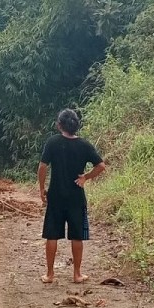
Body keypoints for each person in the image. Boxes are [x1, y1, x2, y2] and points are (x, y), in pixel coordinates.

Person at [38, 109, 106, 284]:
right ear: (76, 125)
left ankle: (50, 274)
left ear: (59, 125)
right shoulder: (84, 145)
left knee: (51, 235)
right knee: (77, 236)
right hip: (76, 197)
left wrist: (41, 189)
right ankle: (77, 274)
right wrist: (86, 177)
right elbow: (101, 166)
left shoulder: (52, 142)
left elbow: (42, 167)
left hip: (56, 196)